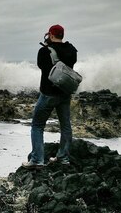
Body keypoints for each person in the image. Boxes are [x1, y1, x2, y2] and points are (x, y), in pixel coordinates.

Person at [23, 24, 78, 168]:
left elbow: (42, 67)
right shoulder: (72, 50)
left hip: (48, 93)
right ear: (62, 35)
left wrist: (47, 46)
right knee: (65, 126)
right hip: (65, 93)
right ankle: (63, 158)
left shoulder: (44, 51)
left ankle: (37, 160)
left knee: (37, 125)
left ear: (51, 35)